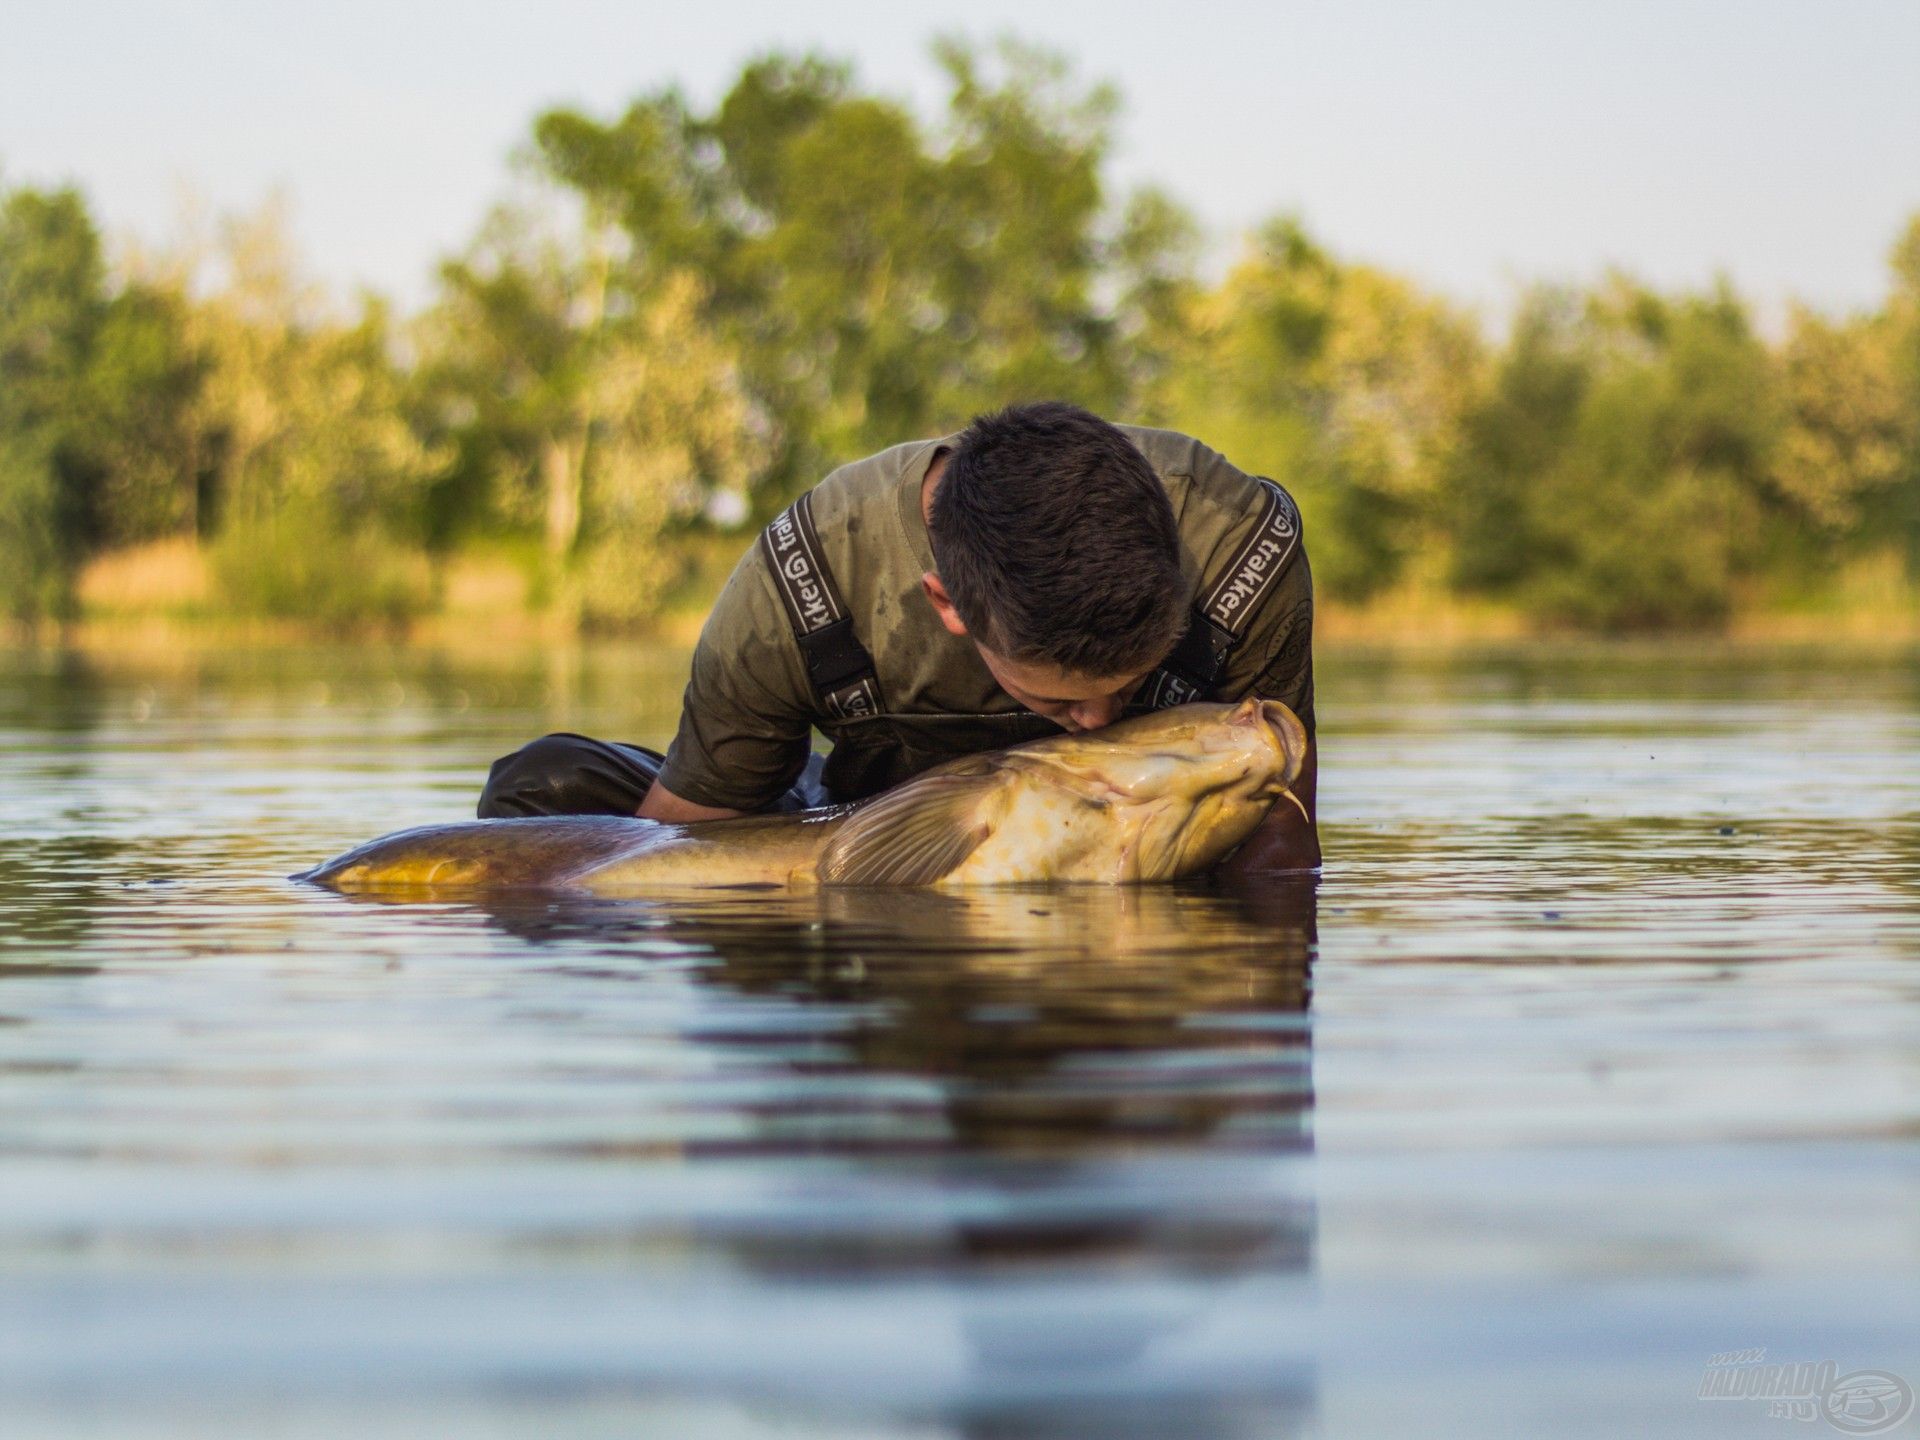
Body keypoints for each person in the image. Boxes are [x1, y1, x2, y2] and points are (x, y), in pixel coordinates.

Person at [480, 401, 1319, 876]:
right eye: (1059, 697)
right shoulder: (799, 582)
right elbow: (689, 840)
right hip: (862, 808)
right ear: (946, 603)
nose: (1099, 719)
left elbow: (1281, 836)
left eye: (1129, 687)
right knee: (543, 793)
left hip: (1139, 829)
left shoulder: (1244, 547)